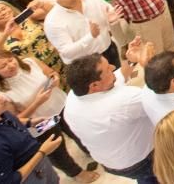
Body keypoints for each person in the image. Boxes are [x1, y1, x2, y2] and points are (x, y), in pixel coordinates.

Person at [0, 50, 99, 182]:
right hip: (41, 122)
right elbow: (17, 120)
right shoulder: (0, 93)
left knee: (78, 131)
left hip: (60, 106)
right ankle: (76, 173)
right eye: (3, 66)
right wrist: (37, 102)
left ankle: (91, 151)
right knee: (57, 149)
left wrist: (55, 78)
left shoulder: (30, 63)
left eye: (10, 60)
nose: (10, 65)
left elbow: (51, 73)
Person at [63, 39, 157, 183]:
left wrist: (128, 59)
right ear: (94, 85)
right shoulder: (124, 100)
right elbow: (162, 97)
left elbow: (120, 76)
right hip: (141, 160)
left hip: (111, 162)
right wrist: (150, 65)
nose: (113, 67)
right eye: (108, 69)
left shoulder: (74, 96)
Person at [0, 89, 64, 184]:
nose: (3, 99)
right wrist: (42, 152)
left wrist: (29, 122)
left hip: (34, 159)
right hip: (28, 177)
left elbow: (4, 120)